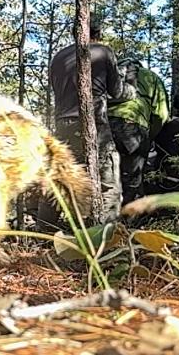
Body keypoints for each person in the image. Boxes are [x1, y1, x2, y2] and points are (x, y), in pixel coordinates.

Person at [48, 16, 126, 222]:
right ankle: (106, 234)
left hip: (63, 125)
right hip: (93, 124)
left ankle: (44, 230)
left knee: (60, 178)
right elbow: (117, 92)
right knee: (108, 179)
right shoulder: (103, 52)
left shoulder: (58, 57)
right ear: (98, 34)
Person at [108, 59, 169, 204]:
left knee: (105, 177)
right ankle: (128, 221)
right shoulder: (151, 77)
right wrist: (150, 137)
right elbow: (161, 115)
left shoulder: (111, 76)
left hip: (104, 125)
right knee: (132, 180)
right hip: (133, 128)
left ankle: (100, 221)